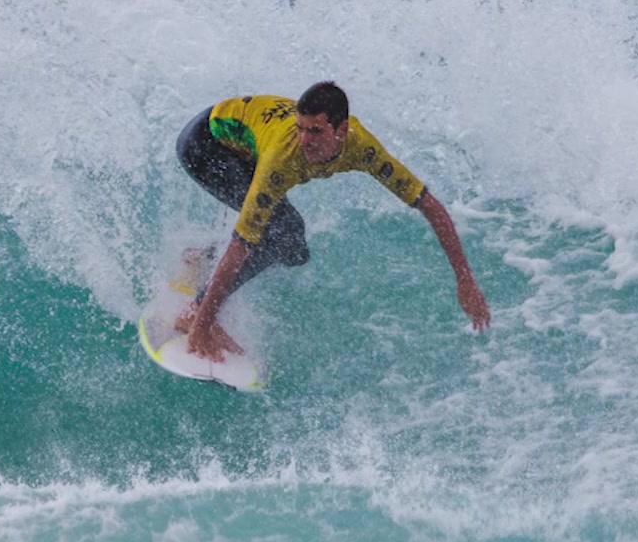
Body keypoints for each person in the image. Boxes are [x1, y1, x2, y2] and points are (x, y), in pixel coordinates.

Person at [174, 81, 490, 361]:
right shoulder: (282, 158)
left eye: (315, 131)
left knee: (294, 250)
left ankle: (204, 257)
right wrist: (202, 323)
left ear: (341, 130)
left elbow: (431, 206)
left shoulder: (362, 148)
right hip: (206, 145)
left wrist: (465, 278)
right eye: (300, 128)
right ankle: (195, 312)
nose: (305, 140)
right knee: (278, 235)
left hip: (244, 143)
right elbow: (242, 244)